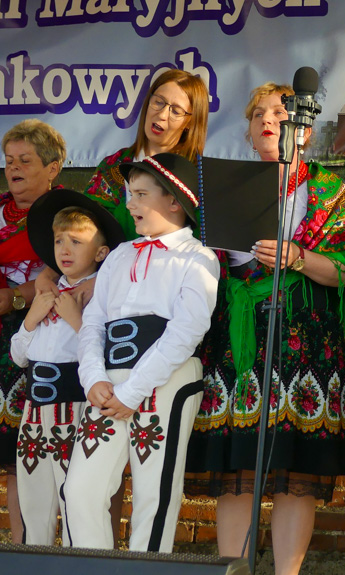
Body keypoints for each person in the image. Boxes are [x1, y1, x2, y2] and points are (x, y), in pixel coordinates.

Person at [186, 82, 345, 575]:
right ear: (246, 133)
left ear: (304, 131)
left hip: (305, 341)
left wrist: (299, 258)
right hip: (234, 339)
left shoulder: (331, 191)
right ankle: (232, 571)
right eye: (258, 113)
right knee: (237, 468)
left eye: (282, 112)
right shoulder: (219, 187)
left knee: (295, 471)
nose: (270, 119)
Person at [63, 153, 219, 552]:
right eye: (129, 193)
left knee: (155, 495)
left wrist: (134, 390)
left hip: (166, 380)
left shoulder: (197, 257)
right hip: (108, 383)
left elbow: (186, 331)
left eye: (140, 194)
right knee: (79, 489)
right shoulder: (119, 255)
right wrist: (94, 377)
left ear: (174, 201)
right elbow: (94, 321)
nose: (129, 203)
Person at [11, 190, 125, 545]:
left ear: (101, 253)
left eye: (76, 241)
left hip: (74, 409)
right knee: (34, 498)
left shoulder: (100, 298)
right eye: (59, 240)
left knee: (73, 496)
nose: (65, 249)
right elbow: (18, 356)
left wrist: (78, 322)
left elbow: (104, 355)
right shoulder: (46, 293)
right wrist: (31, 318)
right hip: (34, 411)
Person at [0, 118, 67, 543]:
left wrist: (16, 298)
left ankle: (44, 552)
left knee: (30, 456)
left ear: (53, 167)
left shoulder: (68, 215)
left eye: (26, 160)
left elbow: (69, 270)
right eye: (9, 161)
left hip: (45, 342)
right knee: (7, 457)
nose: (14, 168)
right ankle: (20, 550)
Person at [82, 68, 209, 241]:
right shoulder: (113, 166)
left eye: (176, 111)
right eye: (159, 102)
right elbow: (85, 229)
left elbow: (212, 247)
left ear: (190, 122)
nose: (162, 114)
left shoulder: (199, 178)